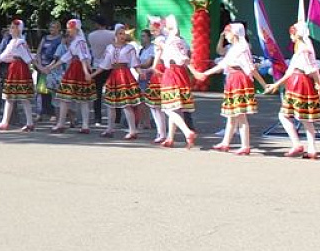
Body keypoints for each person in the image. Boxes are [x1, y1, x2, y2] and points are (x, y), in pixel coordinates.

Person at [193, 23, 267, 155]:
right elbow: (223, 64)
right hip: (233, 79)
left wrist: (263, 84)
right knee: (232, 114)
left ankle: (245, 145)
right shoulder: (234, 48)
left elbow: (250, 68)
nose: (226, 35)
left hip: (239, 79)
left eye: (227, 32)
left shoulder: (242, 48)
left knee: (240, 114)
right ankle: (225, 143)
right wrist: (205, 74)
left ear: (234, 33)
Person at [265, 21, 320, 159]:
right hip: (301, 82)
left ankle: (298, 144)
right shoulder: (305, 48)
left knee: (286, 115)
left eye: (292, 33)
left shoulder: (303, 49)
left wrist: (318, 83)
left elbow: (310, 69)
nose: (291, 36)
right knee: (305, 118)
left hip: (299, 82)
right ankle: (311, 148)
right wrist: (276, 85)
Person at [92, 24, 145, 140]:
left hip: (125, 75)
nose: (123, 36)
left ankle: (132, 131)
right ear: (115, 35)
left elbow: (134, 62)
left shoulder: (129, 48)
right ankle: (109, 129)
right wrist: (93, 74)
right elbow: (105, 64)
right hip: (114, 76)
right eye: (120, 33)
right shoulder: (110, 48)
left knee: (127, 104)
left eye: (124, 34)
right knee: (110, 105)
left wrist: (140, 72)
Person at [0, 19, 36, 131]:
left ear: (18, 29)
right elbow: (3, 56)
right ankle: (5, 121)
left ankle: (29, 122)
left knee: (24, 98)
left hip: (20, 69)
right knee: (9, 96)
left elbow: (28, 58)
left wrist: (40, 67)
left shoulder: (21, 42)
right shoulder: (12, 42)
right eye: (11, 27)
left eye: (12, 27)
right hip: (14, 69)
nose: (10, 29)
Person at [154, 15, 197, 149]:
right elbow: (187, 55)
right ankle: (170, 138)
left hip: (172, 73)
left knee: (168, 108)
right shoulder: (181, 41)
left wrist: (162, 46)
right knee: (176, 107)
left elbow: (181, 57)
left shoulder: (170, 41)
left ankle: (187, 131)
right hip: (182, 74)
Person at [48, 19, 94, 133]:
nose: (68, 30)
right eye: (68, 28)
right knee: (66, 97)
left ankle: (83, 125)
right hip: (74, 68)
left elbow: (83, 57)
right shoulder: (75, 42)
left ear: (76, 29)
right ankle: (63, 123)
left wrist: (87, 72)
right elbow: (67, 56)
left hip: (78, 69)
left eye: (70, 28)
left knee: (80, 99)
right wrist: (52, 67)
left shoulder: (80, 41)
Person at [87, 15, 116, 125]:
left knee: (97, 93)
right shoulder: (112, 35)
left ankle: (97, 117)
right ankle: (116, 117)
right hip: (110, 65)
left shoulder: (91, 36)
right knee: (113, 91)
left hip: (96, 65)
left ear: (97, 24)